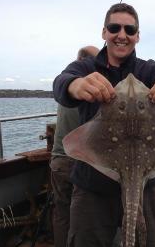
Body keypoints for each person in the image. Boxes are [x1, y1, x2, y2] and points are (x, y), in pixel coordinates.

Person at [53, 3, 155, 247]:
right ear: (104, 32)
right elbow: (61, 82)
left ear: (137, 36)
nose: (122, 35)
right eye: (114, 27)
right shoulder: (85, 68)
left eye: (130, 30)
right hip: (91, 183)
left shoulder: (148, 69)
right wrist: (74, 85)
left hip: (144, 180)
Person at [50, 46, 99, 247]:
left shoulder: (67, 89)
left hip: (59, 160)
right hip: (81, 164)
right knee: (84, 219)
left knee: (62, 214)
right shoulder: (92, 92)